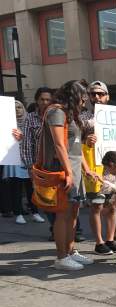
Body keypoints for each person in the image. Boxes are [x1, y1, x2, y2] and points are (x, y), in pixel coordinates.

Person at [39, 80, 100, 271]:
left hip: (74, 170)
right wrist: (68, 172)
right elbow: (59, 146)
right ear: (73, 97)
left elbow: (76, 147)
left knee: (73, 212)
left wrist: (86, 170)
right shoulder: (57, 112)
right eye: (82, 99)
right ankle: (61, 257)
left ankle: (71, 251)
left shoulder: (71, 114)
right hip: (62, 169)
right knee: (63, 213)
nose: (84, 102)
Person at [82, 80, 116, 255]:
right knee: (97, 206)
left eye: (100, 93)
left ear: (107, 96)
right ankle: (99, 242)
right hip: (94, 167)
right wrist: (86, 140)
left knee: (112, 205)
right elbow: (74, 143)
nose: (97, 97)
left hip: (112, 169)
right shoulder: (83, 118)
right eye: (93, 94)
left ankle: (110, 239)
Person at [5, 101, 44, 224]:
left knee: (31, 186)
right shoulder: (6, 124)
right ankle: (18, 213)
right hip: (14, 158)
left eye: (19, 107)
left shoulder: (30, 121)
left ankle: (35, 212)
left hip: (29, 157)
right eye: (14, 108)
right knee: (16, 186)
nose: (17, 110)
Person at [18, 89, 52, 225]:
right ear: (37, 100)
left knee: (62, 199)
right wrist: (30, 166)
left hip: (57, 163)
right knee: (46, 198)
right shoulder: (30, 118)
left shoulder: (57, 115)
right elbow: (26, 143)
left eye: (48, 99)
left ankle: (64, 229)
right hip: (40, 165)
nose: (45, 102)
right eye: (42, 99)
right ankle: (54, 227)